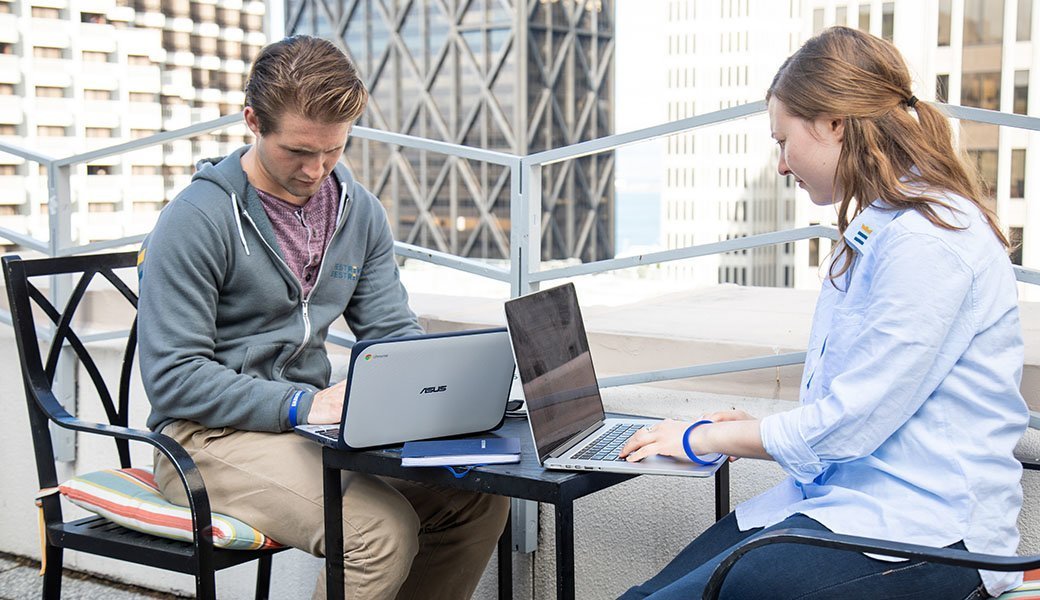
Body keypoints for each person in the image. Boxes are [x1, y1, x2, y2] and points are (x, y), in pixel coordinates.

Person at [618, 26, 1027, 600]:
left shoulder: (929, 241)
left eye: (783, 140)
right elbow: (861, 394)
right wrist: (732, 428)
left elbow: (851, 423)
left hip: (927, 538)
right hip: (848, 509)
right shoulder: (883, 227)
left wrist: (707, 439)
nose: (781, 164)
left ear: (834, 124)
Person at [137, 35, 509, 599]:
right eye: (297, 151)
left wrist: (435, 395)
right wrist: (299, 404)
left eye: (333, 149)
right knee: (377, 531)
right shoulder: (196, 220)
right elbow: (174, 377)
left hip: (313, 435)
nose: (316, 170)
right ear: (252, 121)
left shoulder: (358, 213)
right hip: (205, 441)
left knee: (478, 502)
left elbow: (391, 332)